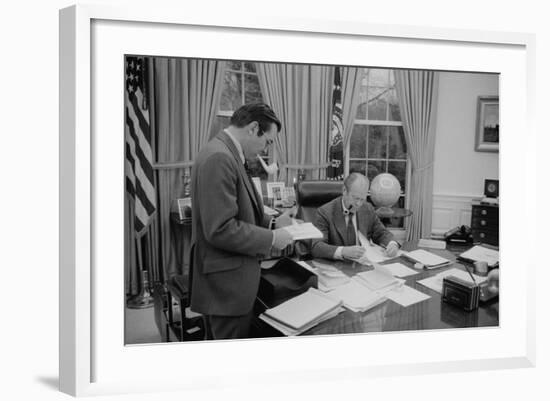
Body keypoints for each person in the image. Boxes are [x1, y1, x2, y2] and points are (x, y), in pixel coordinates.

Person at [190, 102, 295, 340]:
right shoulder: (220, 157)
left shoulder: (226, 152)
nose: (265, 149)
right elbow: (221, 228)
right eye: (267, 141)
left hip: (226, 282)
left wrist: (272, 223)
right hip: (226, 288)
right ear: (253, 128)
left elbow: (239, 210)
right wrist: (271, 239)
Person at [311, 172, 399, 261]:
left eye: (362, 199)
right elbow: (317, 246)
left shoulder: (367, 208)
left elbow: (381, 233)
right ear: (344, 190)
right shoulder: (324, 212)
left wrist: (392, 244)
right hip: (338, 266)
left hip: (363, 265)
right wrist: (343, 251)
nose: (358, 204)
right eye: (356, 198)